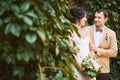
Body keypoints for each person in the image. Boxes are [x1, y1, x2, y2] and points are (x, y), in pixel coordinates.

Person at [87, 9, 118, 80]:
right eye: (95, 17)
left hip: (103, 70)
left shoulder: (111, 33)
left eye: (99, 17)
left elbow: (114, 52)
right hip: (87, 68)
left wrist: (98, 50)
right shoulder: (86, 30)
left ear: (105, 19)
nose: (96, 19)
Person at [69, 6, 95, 80]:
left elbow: (92, 48)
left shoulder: (87, 31)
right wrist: (82, 69)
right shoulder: (69, 32)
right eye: (84, 17)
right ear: (77, 18)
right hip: (76, 66)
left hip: (89, 66)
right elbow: (72, 53)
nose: (86, 19)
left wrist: (91, 64)